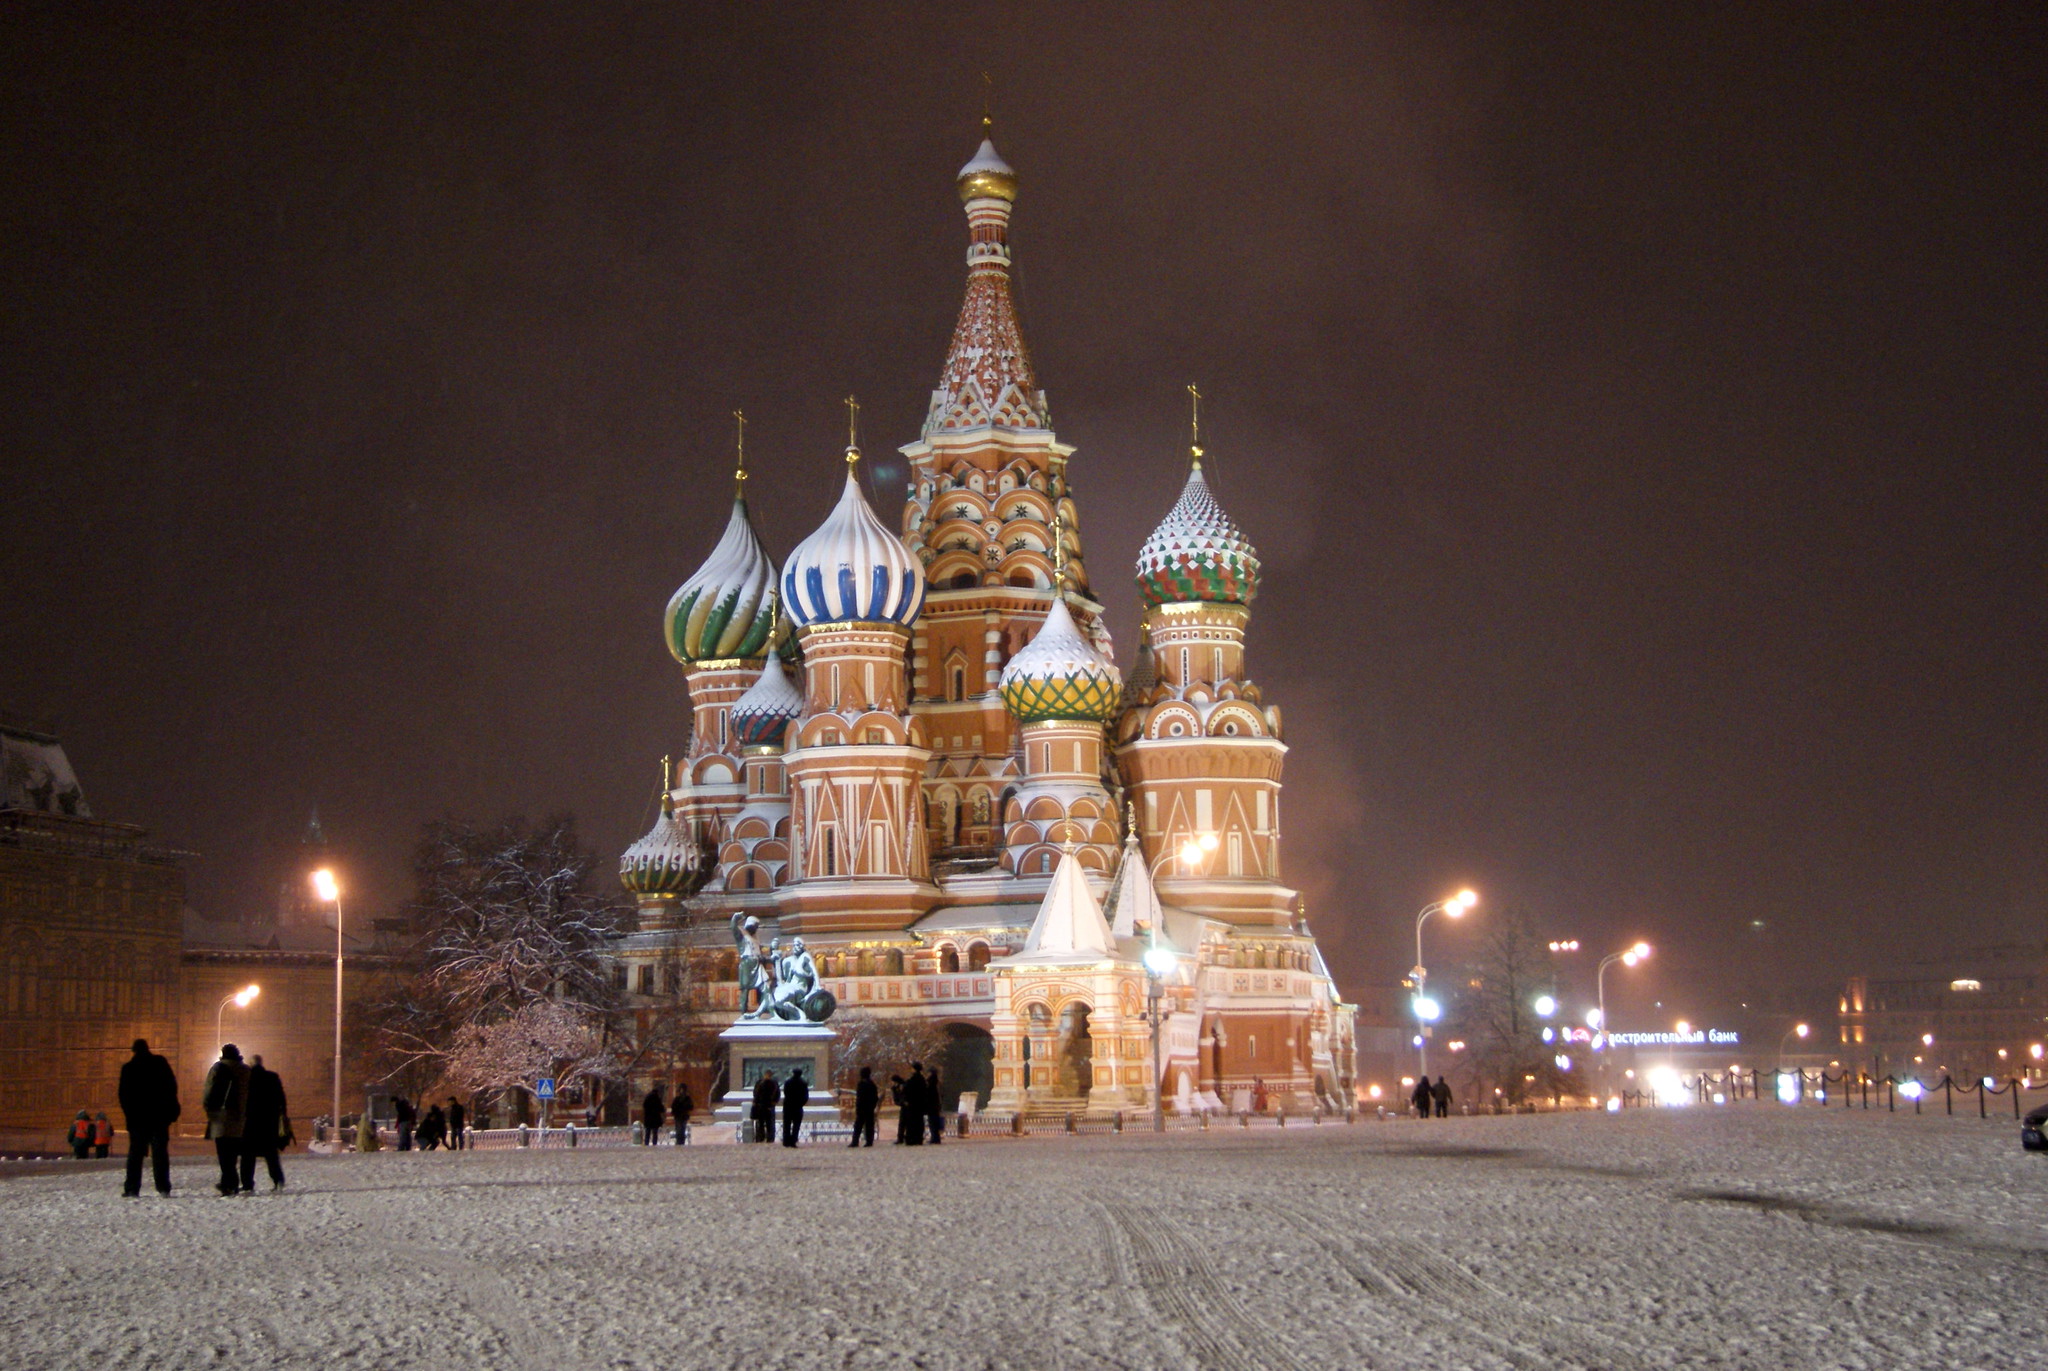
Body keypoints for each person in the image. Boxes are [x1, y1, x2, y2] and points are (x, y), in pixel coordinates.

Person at [118, 1037, 180, 1197]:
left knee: (135, 1154)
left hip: (138, 1119)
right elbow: (171, 1087)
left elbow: (124, 1096)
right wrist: (171, 1110)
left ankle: (132, 1188)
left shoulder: (129, 1068)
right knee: (160, 1153)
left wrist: (129, 1115)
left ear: (134, 1051)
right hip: (159, 1117)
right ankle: (163, 1187)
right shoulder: (160, 1063)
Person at [201, 1043, 251, 1196]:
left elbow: (209, 1090)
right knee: (234, 1152)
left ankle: (229, 1183)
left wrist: (208, 1108)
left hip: (221, 1116)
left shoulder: (219, 1068)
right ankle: (230, 1182)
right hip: (241, 1118)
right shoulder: (246, 1070)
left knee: (224, 1153)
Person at [240, 1053, 288, 1192]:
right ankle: (278, 1180)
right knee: (271, 1153)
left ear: (250, 1064)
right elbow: (281, 1099)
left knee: (247, 1155)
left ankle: (247, 1183)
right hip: (269, 1121)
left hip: (250, 1121)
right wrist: (282, 1115)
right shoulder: (272, 1077)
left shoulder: (246, 1078)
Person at [780, 1068, 808, 1147]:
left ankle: (786, 1141)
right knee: (796, 1124)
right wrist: (801, 1103)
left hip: (788, 1105)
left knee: (787, 1123)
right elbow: (805, 1096)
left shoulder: (788, 1082)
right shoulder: (803, 1083)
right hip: (797, 1106)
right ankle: (793, 1141)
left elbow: (785, 1092)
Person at [851, 1067, 878, 1148]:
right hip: (868, 1108)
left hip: (863, 1108)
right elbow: (875, 1098)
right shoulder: (871, 1084)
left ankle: (856, 1141)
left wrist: (858, 1107)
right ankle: (869, 1141)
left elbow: (860, 1097)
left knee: (859, 1125)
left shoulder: (862, 1084)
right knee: (868, 1125)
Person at [902, 1064, 927, 1146]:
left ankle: (911, 1138)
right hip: (920, 1104)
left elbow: (907, 1090)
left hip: (912, 1104)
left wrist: (906, 1099)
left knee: (911, 1122)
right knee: (919, 1121)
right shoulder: (922, 1079)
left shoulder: (912, 1080)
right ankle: (919, 1138)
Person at [750, 1071, 777, 1144]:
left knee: (768, 1123)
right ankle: (762, 1137)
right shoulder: (770, 1083)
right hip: (763, 1106)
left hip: (766, 1106)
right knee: (762, 1123)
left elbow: (756, 1094)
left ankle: (767, 1138)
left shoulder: (772, 1083)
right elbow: (756, 1094)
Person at [924, 1065, 945, 1145]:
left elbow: (929, 1093)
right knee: (934, 1121)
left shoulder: (931, 1082)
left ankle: (934, 1138)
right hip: (935, 1104)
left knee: (932, 1122)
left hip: (932, 1104)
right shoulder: (936, 1082)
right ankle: (936, 1137)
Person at [888, 1074, 907, 1144]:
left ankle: (901, 1137)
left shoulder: (902, 1086)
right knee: (902, 1123)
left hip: (905, 1105)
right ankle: (901, 1137)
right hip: (903, 1105)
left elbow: (901, 1096)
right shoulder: (896, 1088)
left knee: (903, 1122)